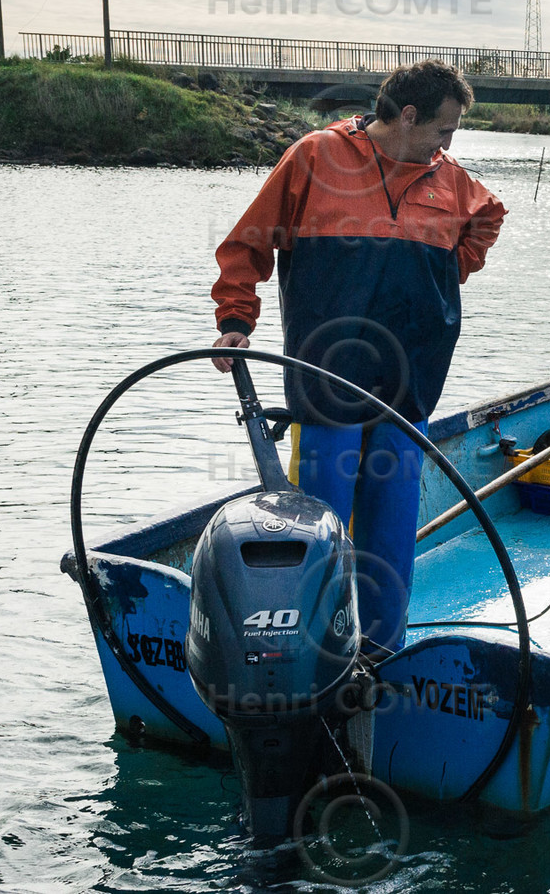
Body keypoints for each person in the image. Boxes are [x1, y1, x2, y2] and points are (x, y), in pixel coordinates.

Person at [210, 60, 506, 655]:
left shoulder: (450, 179)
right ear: (408, 116)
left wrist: (446, 275)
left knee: (392, 531)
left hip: (412, 380)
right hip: (327, 379)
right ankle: (312, 652)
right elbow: (249, 240)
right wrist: (236, 320)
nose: (448, 144)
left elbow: (488, 219)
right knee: (319, 526)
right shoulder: (316, 157)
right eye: (443, 130)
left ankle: (382, 653)